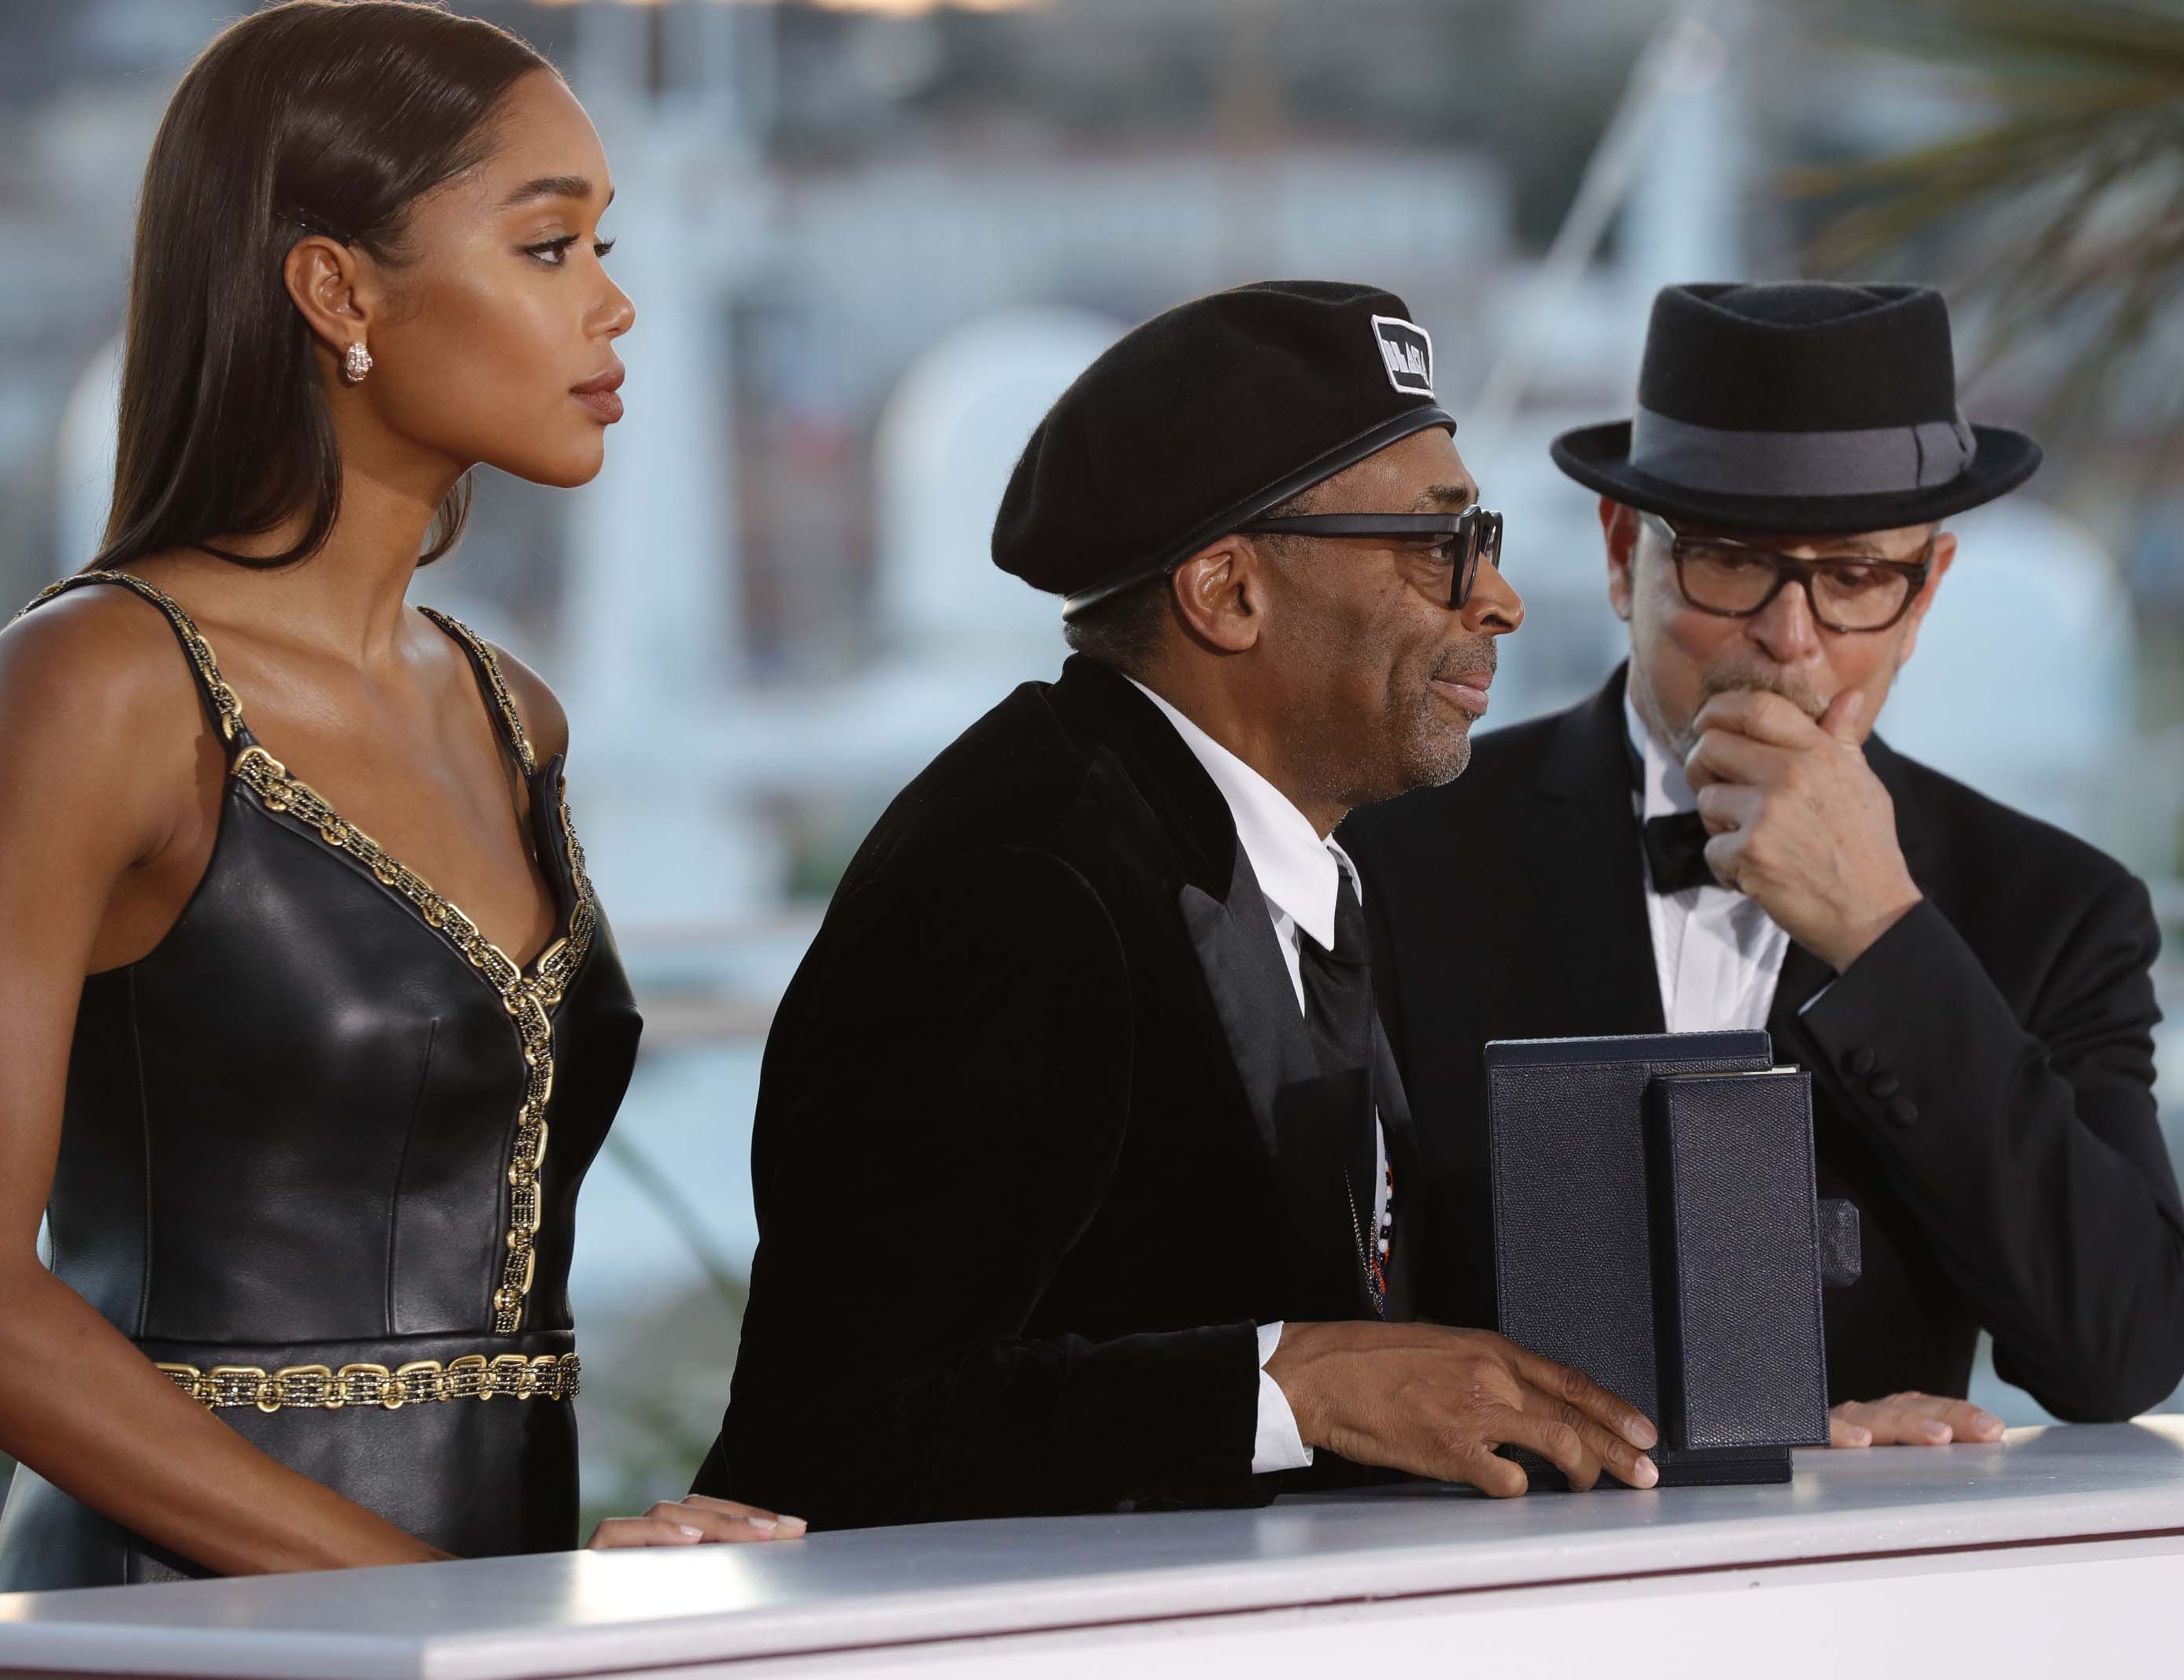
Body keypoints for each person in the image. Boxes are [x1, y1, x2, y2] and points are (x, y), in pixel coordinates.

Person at [0, 1, 795, 1589]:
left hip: (472, 1617)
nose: (616, 305)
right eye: (547, 249)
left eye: (602, 244)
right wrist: (417, 1603)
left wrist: (560, 1593)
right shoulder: (97, 685)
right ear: (335, 287)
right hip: (170, 1627)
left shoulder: (511, 714)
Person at [695, 280, 1662, 1530]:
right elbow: (828, 1436)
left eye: (1484, 538)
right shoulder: (1024, 884)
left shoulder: (1262, 851)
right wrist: (1284, 1388)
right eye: (1438, 544)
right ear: (1227, 592)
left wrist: (1767, 1421)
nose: (1498, 599)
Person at [1344, 281, 2184, 1444]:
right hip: (1494, 1594)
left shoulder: (2053, 907)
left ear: (1926, 590)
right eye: (1734, 564)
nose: (1791, 639)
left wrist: (1889, 936)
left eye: (1854, 577)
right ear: (1618, 554)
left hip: (1863, 1610)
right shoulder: (1391, 854)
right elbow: (1316, 1324)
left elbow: (2122, 1345)